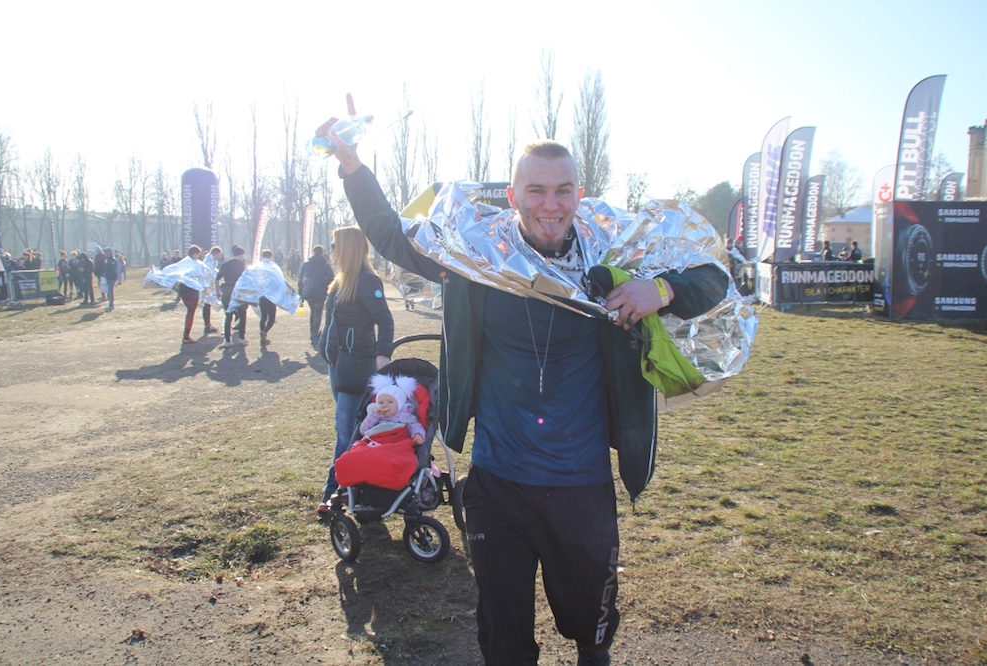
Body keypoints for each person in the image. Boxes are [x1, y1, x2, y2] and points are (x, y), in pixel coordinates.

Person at [318, 95, 728, 666]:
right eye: (535, 190)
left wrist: (659, 290)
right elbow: (389, 233)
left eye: (563, 190)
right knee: (504, 641)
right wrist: (352, 165)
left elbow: (714, 275)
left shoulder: (611, 252)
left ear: (580, 195)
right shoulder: (477, 258)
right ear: (513, 197)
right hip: (498, 483)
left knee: (592, 636)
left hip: (581, 485)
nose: (550, 205)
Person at [318, 225, 394, 511]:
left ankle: (334, 491)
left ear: (347, 248)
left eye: (335, 245)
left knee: (346, 430)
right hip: (337, 365)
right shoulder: (340, 281)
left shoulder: (366, 281)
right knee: (350, 429)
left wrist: (382, 354)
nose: (331, 251)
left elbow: (385, 319)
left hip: (356, 366)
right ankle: (357, 487)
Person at [299, 244, 335, 345]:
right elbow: (331, 279)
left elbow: (300, 279)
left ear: (313, 252)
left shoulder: (306, 264)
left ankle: (312, 332)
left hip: (308, 291)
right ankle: (314, 335)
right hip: (320, 292)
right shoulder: (325, 265)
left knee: (313, 312)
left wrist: (301, 292)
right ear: (322, 253)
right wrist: (329, 290)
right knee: (318, 314)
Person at [216, 246, 250, 348]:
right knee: (242, 315)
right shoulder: (243, 265)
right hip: (239, 292)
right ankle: (241, 337)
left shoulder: (224, 264)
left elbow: (217, 279)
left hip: (227, 291)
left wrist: (218, 291)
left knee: (228, 316)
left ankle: (227, 340)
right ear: (241, 255)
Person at [178, 245, 210, 343]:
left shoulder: (184, 261)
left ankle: (186, 336)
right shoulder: (196, 264)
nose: (199, 256)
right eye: (198, 254)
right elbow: (202, 275)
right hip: (191, 289)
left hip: (183, 288)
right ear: (195, 254)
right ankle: (186, 336)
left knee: (190, 311)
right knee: (191, 312)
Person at [257, 249, 280, 346]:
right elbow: (279, 280)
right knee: (271, 318)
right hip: (271, 295)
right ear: (271, 257)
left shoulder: (258, 267)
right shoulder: (273, 267)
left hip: (262, 295)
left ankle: (263, 336)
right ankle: (265, 331)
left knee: (263, 316)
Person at [201, 246, 222, 334]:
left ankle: (208, 324)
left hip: (210, 285)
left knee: (208, 305)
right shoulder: (208, 261)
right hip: (207, 286)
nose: (218, 257)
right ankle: (207, 325)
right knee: (206, 305)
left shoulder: (212, 261)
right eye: (218, 255)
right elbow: (209, 273)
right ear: (214, 253)